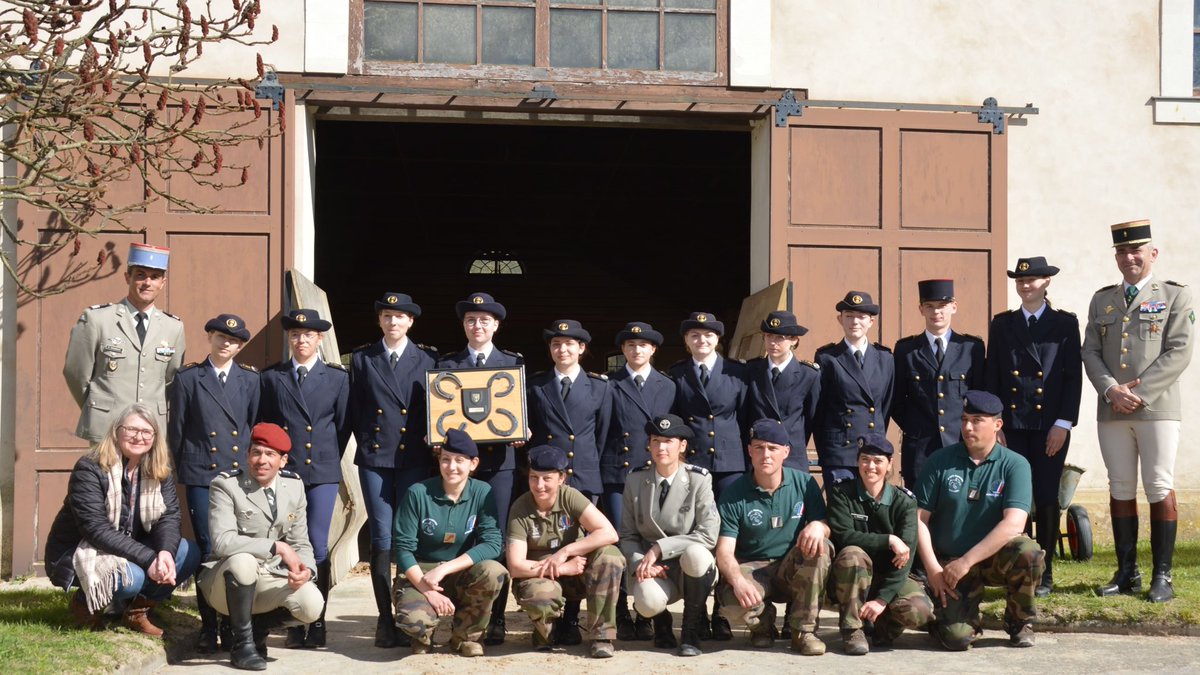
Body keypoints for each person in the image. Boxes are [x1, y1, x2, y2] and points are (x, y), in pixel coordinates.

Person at [1082, 220, 1194, 603]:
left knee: (1159, 485)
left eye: (1137, 251)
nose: (1129, 258)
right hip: (1112, 408)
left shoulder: (1176, 296)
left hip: (1157, 409)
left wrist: (1139, 393)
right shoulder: (1103, 299)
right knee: (1120, 486)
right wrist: (1111, 389)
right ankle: (1127, 571)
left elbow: (1179, 351)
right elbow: (1091, 351)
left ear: (1152, 254)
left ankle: (1163, 575)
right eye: (1122, 252)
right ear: (1116, 256)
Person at [45, 403, 200, 637]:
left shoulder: (159, 470)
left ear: (155, 438)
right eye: (131, 429)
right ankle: (85, 603)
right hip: (82, 551)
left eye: (147, 432)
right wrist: (150, 559)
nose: (139, 437)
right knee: (133, 579)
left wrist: (165, 553)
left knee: (187, 552)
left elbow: (168, 517)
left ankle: (137, 613)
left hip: (129, 547)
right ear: (117, 431)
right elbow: (95, 529)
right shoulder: (90, 467)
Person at [914, 390, 1044, 650]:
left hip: (991, 560)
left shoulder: (1015, 464)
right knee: (956, 639)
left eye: (976, 420)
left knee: (1029, 552)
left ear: (997, 425)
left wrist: (968, 561)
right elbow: (918, 519)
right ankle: (951, 619)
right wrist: (934, 570)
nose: (967, 427)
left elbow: (1014, 524)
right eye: (963, 420)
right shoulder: (940, 461)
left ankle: (1019, 621)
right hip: (949, 566)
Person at [985, 257, 1082, 597]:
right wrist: (995, 424)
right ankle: (1018, 568)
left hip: (1049, 426)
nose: (1026, 286)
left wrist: (1063, 423)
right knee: (1016, 499)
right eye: (1020, 281)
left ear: (1047, 283)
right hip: (1012, 426)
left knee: (1045, 495)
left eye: (1033, 280)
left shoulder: (1064, 323)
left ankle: (1047, 571)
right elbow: (993, 375)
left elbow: (1072, 378)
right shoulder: (1003, 324)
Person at [348, 292, 438, 648]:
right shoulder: (362, 359)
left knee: (408, 540)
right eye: (387, 316)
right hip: (376, 459)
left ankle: (407, 616)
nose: (393, 322)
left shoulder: (429, 358)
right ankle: (385, 620)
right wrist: (368, 440)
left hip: (414, 458)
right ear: (380, 321)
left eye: (400, 317)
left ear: (410, 322)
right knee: (382, 540)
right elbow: (354, 409)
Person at [257, 308, 350, 648]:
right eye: (295, 335)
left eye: (308, 335)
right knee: (289, 544)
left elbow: (342, 426)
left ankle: (319, 620)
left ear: (319, 339)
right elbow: (264, 425)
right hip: (287, 472)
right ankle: (295, 620)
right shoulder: (272, 378)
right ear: (289, 338)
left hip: (322, 471)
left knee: (318, 544)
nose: (301, 340)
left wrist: (325, 456)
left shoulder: (338, 379)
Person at [168, 313, 260, 652]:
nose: (227, 344)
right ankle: (209, 628)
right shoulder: (189, 378)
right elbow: (176, 430)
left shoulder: (251, 380)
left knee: (237, 548)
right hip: (201, 474)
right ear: (209, 336)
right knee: (208, 549)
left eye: (234, 341)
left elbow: (251, 427)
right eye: (221, 337)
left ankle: (236, 626)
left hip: (237, 476)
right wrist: (175, 473)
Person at [199, 422, 324, 671]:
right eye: (256, 452)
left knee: (312, 605)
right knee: (243, 560)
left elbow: (300, 542)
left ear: (283, 460)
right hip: (226, 583)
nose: (261, 460)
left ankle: (258, 630)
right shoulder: (226, 485)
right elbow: (223, 541)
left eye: (270, 454)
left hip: (269, 576)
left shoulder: (294, 486)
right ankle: (242, 646)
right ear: (247, 455)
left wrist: (306, 570)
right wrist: (276, 547)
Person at [714, 419, 832, 656]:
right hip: (755, 568)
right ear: (749, 451)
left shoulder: (805, 483)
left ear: (786, 452)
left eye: (773, 448)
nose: (765, 455)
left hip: (791, 565)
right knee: (731, 600)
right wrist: (738, 581)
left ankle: (804, 632)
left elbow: (825, 524)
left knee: (822, 546)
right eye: (758, 448)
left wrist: (819, 526)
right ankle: (763, 626)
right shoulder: (734, 493)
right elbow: (724, 552)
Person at [391, 429, 508, 656]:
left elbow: (493, 544)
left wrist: (444, 569)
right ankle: (423, 635)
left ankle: (466, 637)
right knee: (416, 622)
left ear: (473, 464)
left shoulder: (482, 493)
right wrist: (429, 590)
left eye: (459, 460)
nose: (451, 467)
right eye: (445, 459)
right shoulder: (418, 493)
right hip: (421, 572)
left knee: (494, 571)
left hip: (459, 571)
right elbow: (403, 550)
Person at [668, 311, 746, 640]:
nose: (702, 340)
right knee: (694, 536)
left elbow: (747, 415)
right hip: (694, 465)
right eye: (695, 336)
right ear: (686, 342)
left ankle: (722, 614)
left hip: (729, 464)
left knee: (728, 537)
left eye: (708, 335)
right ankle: (696, 612)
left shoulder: (737, 373)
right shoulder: (677, 375)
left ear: (718, 340)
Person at [507, 445, 626, 658]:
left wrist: (566, 551)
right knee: (542, 600)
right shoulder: (520, 507)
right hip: (539, 576)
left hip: (575, 573)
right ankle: (545, 631)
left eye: (547, 479)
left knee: (610, 556)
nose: (539, 485)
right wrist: (562, 568)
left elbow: (609, 533)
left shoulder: (571, 497)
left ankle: (601, 636)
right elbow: (515, 566)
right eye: (534, 477)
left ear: (561, 478)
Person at [618, 414, 719, 657]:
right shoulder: (635, 479)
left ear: (682, 445)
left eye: (668, 441)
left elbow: (708, 534)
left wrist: (660, 548)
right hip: (654, 567)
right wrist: (640, 563)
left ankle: (691, 630)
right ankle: (662, 623)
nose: (661, 447)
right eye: (655, 441)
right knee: (647, 601)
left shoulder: (699, 479)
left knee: (697, 554)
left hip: (688, 567)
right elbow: (628, 535)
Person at [64, 242, 185, 442]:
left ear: (162, 282)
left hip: (149, 431)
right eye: (140, 275)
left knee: (147, 475)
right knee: (104, 474)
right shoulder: (97, 319)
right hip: (107, 427)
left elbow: (171, 380)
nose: (147, 282)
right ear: (127, 277)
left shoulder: (174, 327)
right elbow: (76, 373)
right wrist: (98, 406)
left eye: (154, 277)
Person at [602, 321, 676, 641]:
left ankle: (653, 614)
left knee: (654, 540)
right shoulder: (608, 384)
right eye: (631, 346)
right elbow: (602, 431)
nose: (636, 350)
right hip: (619, 473)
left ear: (653, 349)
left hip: (657, 474)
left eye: (643, 345)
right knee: (621, 542)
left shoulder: (669, 386)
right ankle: (620, 611)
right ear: (623, 350)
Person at [827, 433, 934, 655]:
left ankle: (882, 628)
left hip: (888, 575)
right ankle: (852, 629)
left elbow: (906, 557)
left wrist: (882, 600)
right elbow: (844, 535)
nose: (870, 466)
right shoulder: (842, 493)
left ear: (889, 464)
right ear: (858, 462)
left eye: (878, 461)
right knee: (852, 554)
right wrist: (888, 540)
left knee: (919, 611)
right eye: (865, 459)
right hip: (851, 577)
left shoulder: (904, 501)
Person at [892, 279, 985, 487]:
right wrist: (915, 427)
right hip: (919, 448)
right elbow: (896, 400)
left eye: (942, 306)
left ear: (954, 307)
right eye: (929, 306)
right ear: (921, 309)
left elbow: (979, 397)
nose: (937, 312)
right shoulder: (906, 350)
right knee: (919, 506)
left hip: (961, 443)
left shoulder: (972, 348)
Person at [814, 291, 894, 483]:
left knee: (872, 510)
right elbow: (818, 409)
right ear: (840, 319)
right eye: (849, 316)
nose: (855, 322)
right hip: (840, 451)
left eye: (861, 317)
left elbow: (887, 404)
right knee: (842, 511)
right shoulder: (828, 358)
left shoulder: (885, 358)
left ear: (871, 321)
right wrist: (826, 450)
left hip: (873, 450)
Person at [744, 310, 821, 472]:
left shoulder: (808, 375)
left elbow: (812, 419)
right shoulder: (751, 370)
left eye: (780, 337)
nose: (773, 342)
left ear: (794, 340)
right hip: (759, 456)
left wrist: (792, 442)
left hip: (791, 455)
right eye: (768, 336)